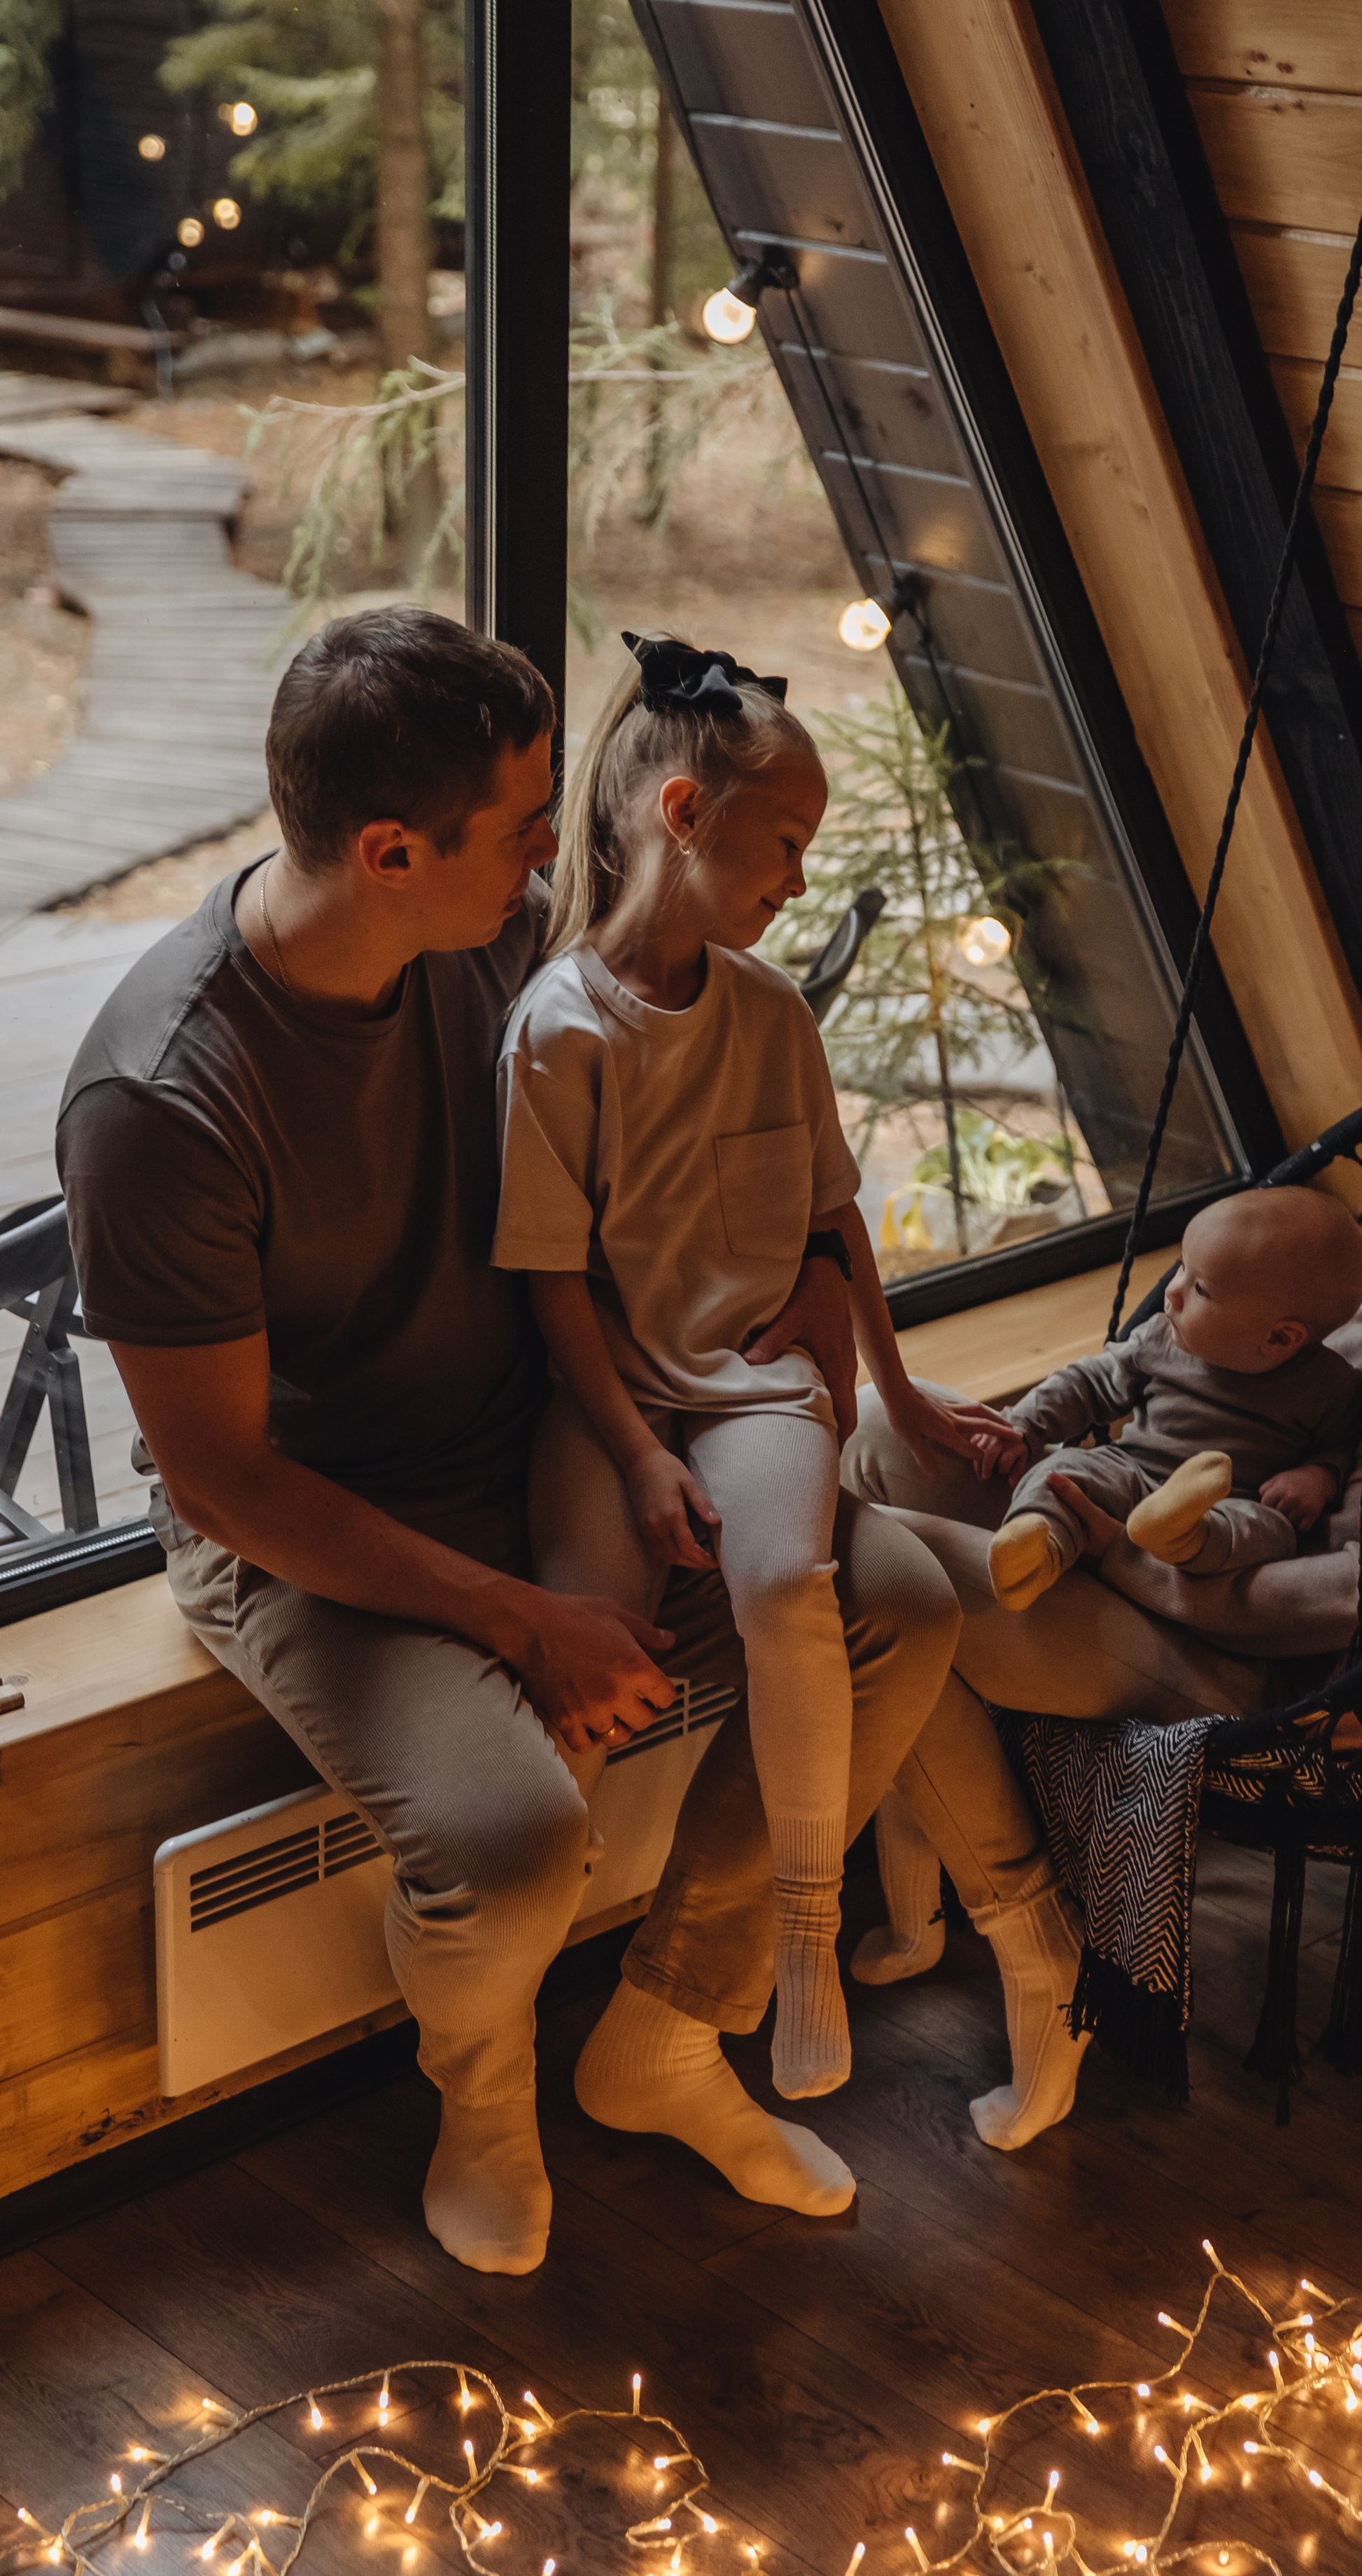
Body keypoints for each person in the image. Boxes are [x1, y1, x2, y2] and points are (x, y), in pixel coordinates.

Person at [55, 608, 965, 2278]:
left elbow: (696, 1052)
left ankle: (668, 2029)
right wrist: (516, 1615)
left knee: (894, 1600)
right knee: (513, 1836)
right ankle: (482, 2104)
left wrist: (819, 1294)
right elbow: (222, 1478)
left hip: (552, 1433)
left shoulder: (505, 943)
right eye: (528, 825)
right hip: (316, 1519)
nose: (557, 855)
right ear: (390, 849)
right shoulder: (162, 1099)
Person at [841, 966, 1362, 2146]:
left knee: (882, 1570)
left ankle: (1034, 1946)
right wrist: (1071, 1455)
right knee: (880, 1436)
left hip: (1276, 1661)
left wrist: (1144, 1560)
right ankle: (928, 1884)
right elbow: (1203, 1353)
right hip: (1167, 1537)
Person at [491, 633, 1013, 2105]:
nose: (796, 881)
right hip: (606, 1400)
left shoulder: (772, 1016)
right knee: (588, 1682)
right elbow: (546, 1279)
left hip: (750, 1386)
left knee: (791, 1586)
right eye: (783, 844)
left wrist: (898, 1397)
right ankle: (503, 2024)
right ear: (681, 817)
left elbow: (835, 1215)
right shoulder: (558, 1033)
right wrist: (638, 1452)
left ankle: (795, 1927)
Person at [978, 1184, 1362, 1610]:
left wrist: (1319, 1476)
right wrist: (1025, 1425)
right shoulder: (1161, 1339)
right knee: (1062, 1470)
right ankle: (1037, 1546)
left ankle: (1181, 1535)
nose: (1172, 1291)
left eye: (1201, 1289)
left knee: (1273, 1532)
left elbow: (1345, 1443)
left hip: (1231, 1503)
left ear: (1278, 1337)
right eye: (1182, 1268)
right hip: (1130, 1472)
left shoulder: (1330, 1385)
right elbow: (1088, 1382)